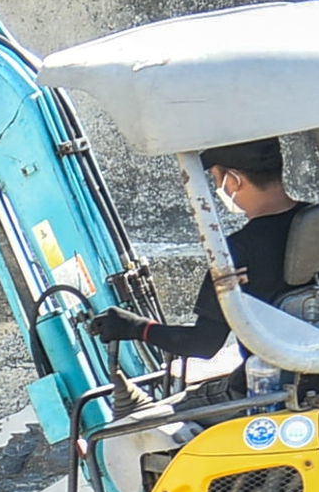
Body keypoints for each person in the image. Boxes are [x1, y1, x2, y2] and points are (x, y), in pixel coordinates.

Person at [88, 137, 302, 362]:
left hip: (278, 378)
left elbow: (204, 343)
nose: (219, 187)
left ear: (233, 181)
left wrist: (137, 327)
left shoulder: (234, 252)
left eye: (217, 179)